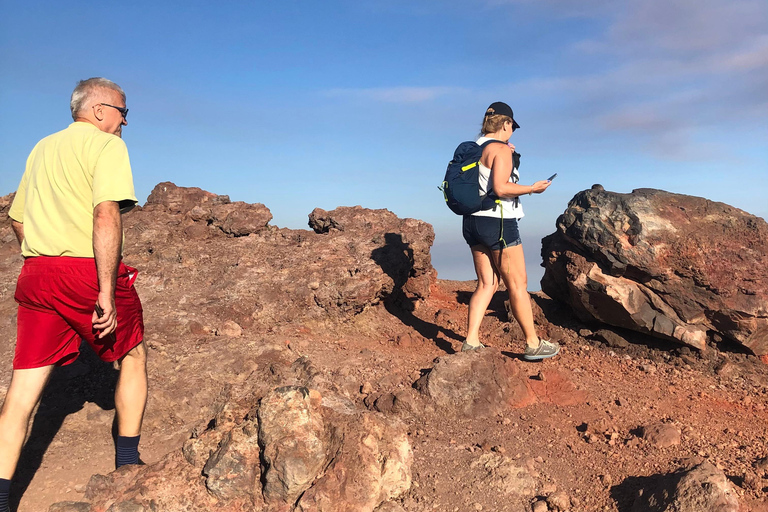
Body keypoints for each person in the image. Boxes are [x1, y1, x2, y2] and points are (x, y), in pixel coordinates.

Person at [0, 77, 147, 511]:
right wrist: (103, 289)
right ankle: (128, 463)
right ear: (99, 110)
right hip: (84, 273)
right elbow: (106, 214)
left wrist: (45, 247)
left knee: (22, 391)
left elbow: (17, 219)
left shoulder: (42, 148)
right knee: (133, 355)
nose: (125, 122)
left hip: (37, 273)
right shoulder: (107, 147)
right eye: (124, 112)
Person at [461, 101, 560, 361]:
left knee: (487, 283)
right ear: (506, 124)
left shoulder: (475, 148)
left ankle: (471, 341)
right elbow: (502, 188)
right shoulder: (500, 150)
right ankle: (533, 344)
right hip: (499, 222)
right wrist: (532, 188)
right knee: (517, 283)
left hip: (472, 222)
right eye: (512, 127)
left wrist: (507, 154)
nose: (512, 131)